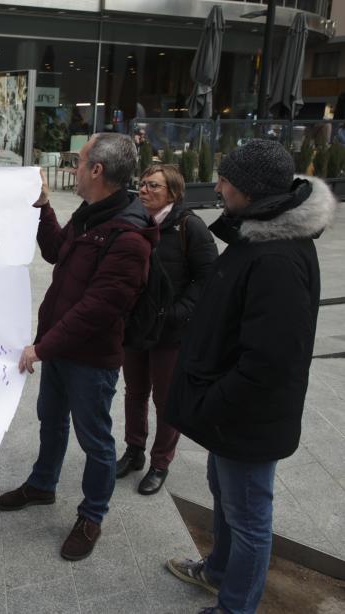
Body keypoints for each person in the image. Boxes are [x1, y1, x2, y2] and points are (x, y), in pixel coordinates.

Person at [164, 140, 335, 614]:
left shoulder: (276, 257)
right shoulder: (258, 234)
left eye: (225, 180)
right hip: (233, 413)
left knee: (249, 517)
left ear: (251, 191)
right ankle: (218, 571)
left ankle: (235, 606)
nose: (216, 186)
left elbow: (270, 361)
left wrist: (214, 402)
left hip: (246, 417)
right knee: (226, 497)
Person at [0, 133, 157, 561]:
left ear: (97, 171)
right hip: (61, 349)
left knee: (96, 441)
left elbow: (96, 311)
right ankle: (43, 486)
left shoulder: (129, 236)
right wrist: (43, 208)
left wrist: (41, 347)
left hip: (91, 359)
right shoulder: (91, 214)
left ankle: (92, 516)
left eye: (80, 161)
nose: (74, 168)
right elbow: (55, 251)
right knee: (51, 420)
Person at [116, 164, 218, 496]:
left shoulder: (191, 228)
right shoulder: (133, 221)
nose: (144, 190)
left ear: (172, 193)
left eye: (153, 186)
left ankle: (160, 462)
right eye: (142, 184)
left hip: (171, 331)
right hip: (136, 327)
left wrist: (178, 312)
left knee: (165, 399)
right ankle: (134, 451)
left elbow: (207, 279)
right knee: (134, 392)